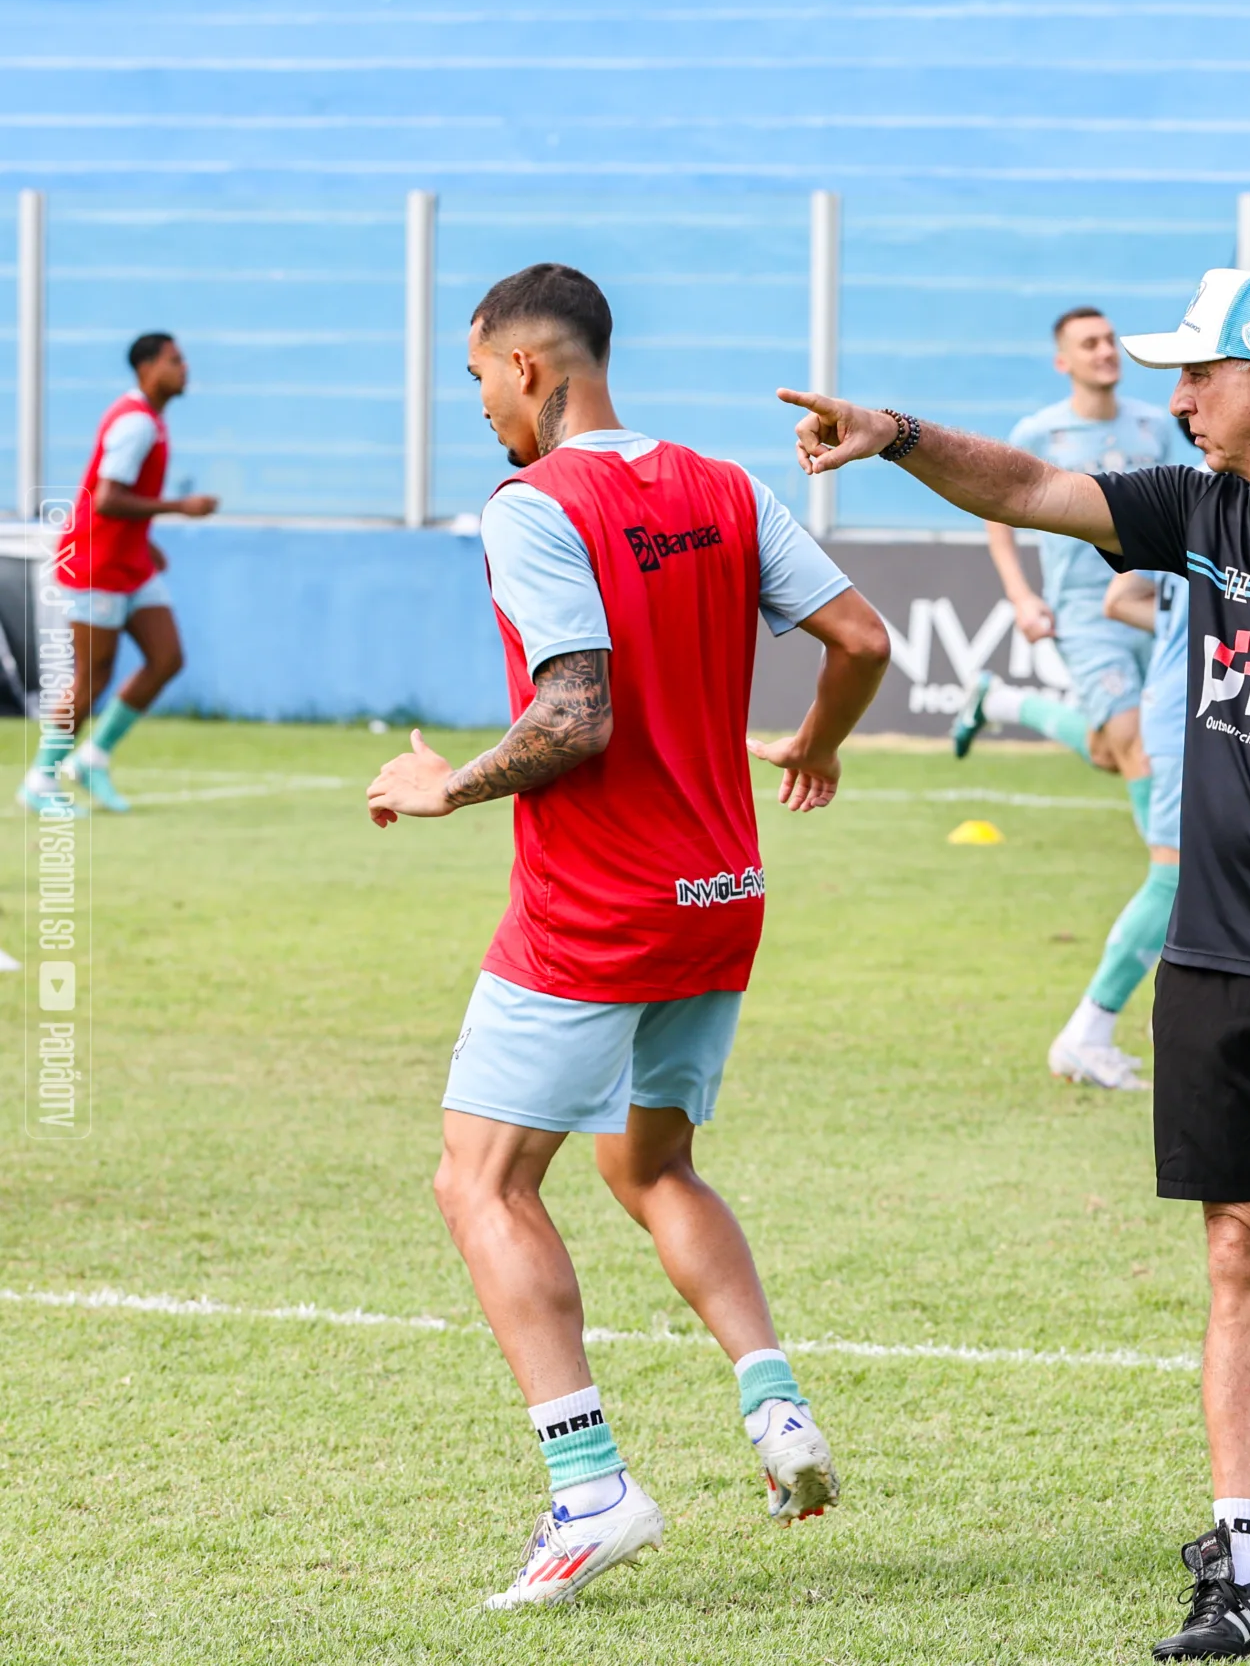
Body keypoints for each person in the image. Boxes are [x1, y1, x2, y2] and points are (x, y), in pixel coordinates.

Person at [779, 266, 1250, 1659]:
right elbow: (1022, 490)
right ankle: (1246, 1563)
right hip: (1220, 956)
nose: (1171, 399)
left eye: (1196, 374)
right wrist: (898, 431)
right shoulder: (1197, 506)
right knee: (1246, 1248)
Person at [367, 264, 892, 1609]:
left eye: (478, 378)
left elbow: (575, 714)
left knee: (479, 1181)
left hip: (596, 906)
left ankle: (590, 1485)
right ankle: (776, 1410)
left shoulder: (535, 505)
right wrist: (819, 745)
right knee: (651, 1164)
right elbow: (861, 635)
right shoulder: (723, 485)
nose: (480, 405)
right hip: (720, 894)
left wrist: (446, 785)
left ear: (529, 367)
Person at [951, 307, 1188, 842]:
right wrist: (1020, 596)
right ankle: (1170, 877)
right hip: (1083, 610)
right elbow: (996, 509)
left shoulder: (1155, 424)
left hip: (1152, 606)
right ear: (1063, 361)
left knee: (1114, 750)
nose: (1105, 351)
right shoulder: (1039, 432)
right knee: (1133, 743)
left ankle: (1001, 702)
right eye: (1089, 344)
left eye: (1109, 340)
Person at [20, 333, 218, 816]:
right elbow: (106, 498)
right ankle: (41, 780)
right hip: (95, 565)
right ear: (146, 368)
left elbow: (110, 499)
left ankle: (94, 756)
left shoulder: (151, 420)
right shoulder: (136, 424)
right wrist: (179, 507)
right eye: (175, 360)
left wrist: (144, 542)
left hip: (128, 562)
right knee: (92, 678)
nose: (185, 368)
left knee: (166, 657)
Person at [1045, 563, 1192, 1091]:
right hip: (1188, 713)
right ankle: (1088, 1031)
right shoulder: (1219, 500)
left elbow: (1122, 600)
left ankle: (1184, 1022)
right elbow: (1116, 601)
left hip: (1195, 707)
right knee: (1173, 876)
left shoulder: (1199, 498)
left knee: (1211, 874)